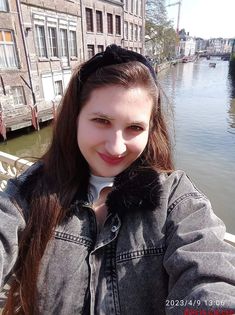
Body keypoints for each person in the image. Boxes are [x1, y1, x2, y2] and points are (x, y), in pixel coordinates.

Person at [0, 44, 235, 315]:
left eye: (134, 128)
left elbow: (208, 274)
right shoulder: (30, 192)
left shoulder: (173, 198)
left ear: (150, 130)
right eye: (101, 121)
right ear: (75, 119)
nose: (116, 147)